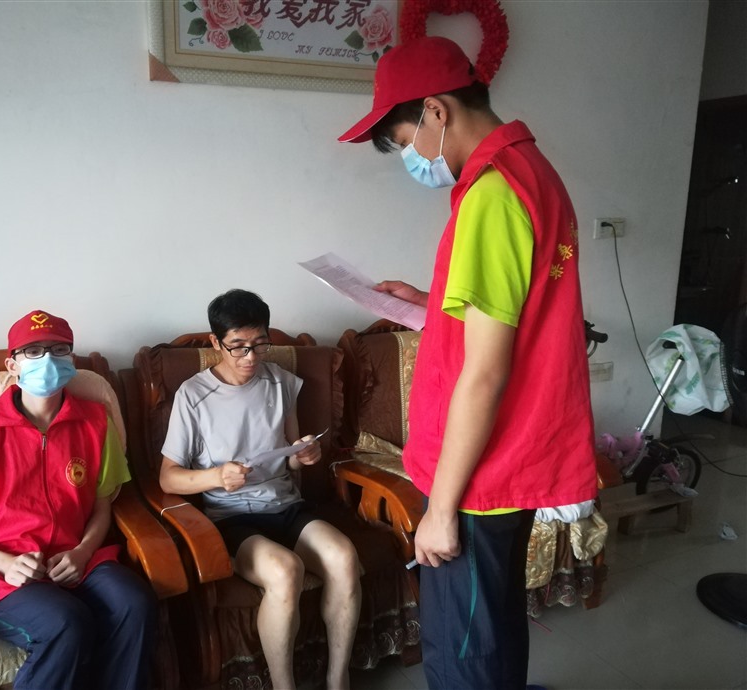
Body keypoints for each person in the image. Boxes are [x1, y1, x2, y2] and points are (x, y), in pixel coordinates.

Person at [338, 37, 598, 689]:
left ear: (436, 111)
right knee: (494, 624)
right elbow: (517, 318)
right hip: (509, 459)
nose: (413, 159)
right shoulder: (532, 172)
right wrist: (428, 304)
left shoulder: (491, 194)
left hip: (480, 474)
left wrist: (442, 509)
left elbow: (484, 373)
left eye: (406, 142)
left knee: (464, 649)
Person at [0, 309, 157, 690]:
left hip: (75, 560)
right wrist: (6, 563)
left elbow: (102, 506)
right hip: (1, 574)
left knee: (135, 602)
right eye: (33, 351)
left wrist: (83, 552)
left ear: (71, 359)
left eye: (58, 350)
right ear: (12, 365)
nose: (48, 360)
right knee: (66, 623)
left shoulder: (95, 423)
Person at [159, 289, 361, 690]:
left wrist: (303, 454)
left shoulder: (280, 382)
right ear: (216, 342)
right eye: (238, 346)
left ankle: (338, 679)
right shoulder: (193, 396)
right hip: (231, 516)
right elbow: (168, 478)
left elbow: (288, 454)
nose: (251, 357)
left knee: (344, 557)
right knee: (285, 570)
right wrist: (216, 476)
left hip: (285, 504)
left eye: (260, 344)